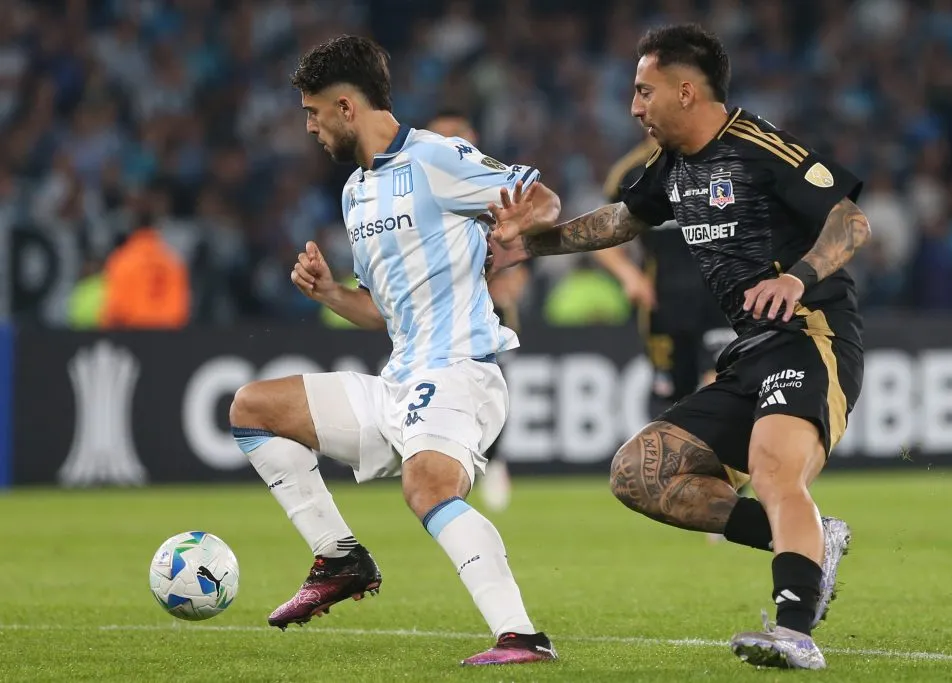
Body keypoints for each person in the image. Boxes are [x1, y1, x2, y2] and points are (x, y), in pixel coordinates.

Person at [487, 24, 871, 670]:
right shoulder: (671, 167)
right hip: (749, 349)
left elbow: (850, 218)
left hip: (810, 334)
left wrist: (795, 276)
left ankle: (795, 628)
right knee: (640, 473)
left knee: (774, 465)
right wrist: (535, 243)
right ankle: (811, 541)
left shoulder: (756, 145)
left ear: (687, 92)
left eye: (644, 91)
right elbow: (621, 220)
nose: (634, 106)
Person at [228, 36, 558, 667]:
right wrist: (329, 294)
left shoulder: (437, 158)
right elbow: (383, 313)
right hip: (400, 381)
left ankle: (521, 637)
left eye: (313, 111)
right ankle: (341, 559)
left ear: (347, 106)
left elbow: (540, 198)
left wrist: (520, 222)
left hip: (461, 372)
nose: (310, 126)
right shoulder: (356, 192)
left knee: (427, 483)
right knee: (253, 407)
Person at [595, 137, 744, 543]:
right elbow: (604, 232)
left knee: (720, 382)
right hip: (664, 305)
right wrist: (631, 276)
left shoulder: (719, 159)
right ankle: (703, 494)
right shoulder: (631, 172)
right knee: (677, 401)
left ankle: (724, 490)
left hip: (721, 300)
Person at [425, 109, 528, 513]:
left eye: (454, 136)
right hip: (436, 314)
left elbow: (521, 244)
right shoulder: (421, 194)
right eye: (439, 137)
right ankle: (449, 463)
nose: (447, 145)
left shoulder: (487, 186)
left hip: (485, 309)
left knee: (490, 387)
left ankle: (493, 460)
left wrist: (505, 278)